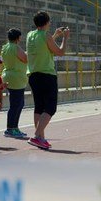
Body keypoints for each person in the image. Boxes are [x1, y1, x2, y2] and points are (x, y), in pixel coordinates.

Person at [26, 11, 69, 150]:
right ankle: (36, 135)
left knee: (39, 107)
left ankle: (40, 138)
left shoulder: (30, 35)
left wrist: (55, 35)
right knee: (50, 107)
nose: (50, 23)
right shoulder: (45, 35)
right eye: (49, 21)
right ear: (46, 22)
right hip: (46, 74)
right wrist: (65, 38)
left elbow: (44, 46)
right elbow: (60, 52)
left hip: (33, 74)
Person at [1, 28, 29, 138]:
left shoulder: (5, 47)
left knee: (18, 103)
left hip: (8, 75)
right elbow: (25, 59)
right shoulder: (15, 47)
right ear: (18, 38)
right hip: (16, 77)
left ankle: (14, 127)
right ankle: (10, 128)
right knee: (16, 104)